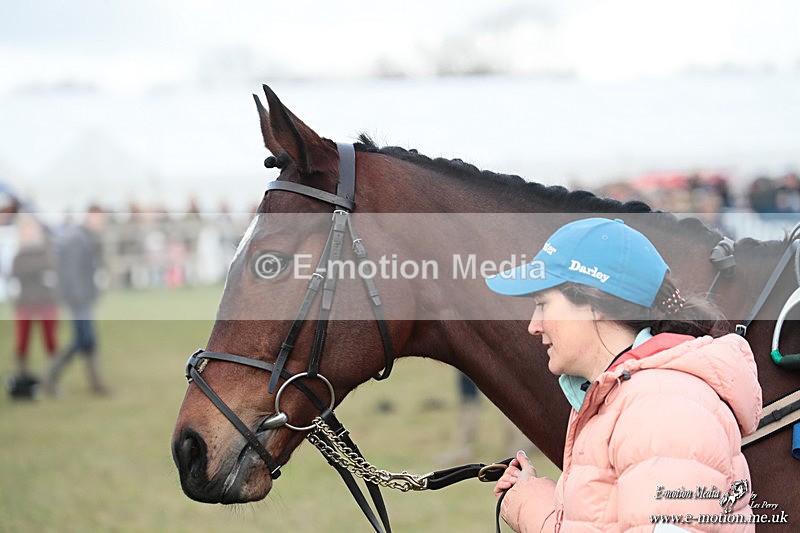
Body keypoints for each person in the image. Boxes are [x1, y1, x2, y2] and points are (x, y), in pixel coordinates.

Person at [485, 217, 762, 532]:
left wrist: (531, 508)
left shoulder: (662, 409)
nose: (534, 326)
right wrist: (532, 500)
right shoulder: (627, 400)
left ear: (594, 303)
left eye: (543, 304)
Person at [44, 206, 110, 396]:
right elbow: (71, 271)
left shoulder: (84, 237)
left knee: (88, 340)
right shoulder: (77, 238)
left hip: (82, 297)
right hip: (78, 299)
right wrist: (79, 296)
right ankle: (49, 376)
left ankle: (95, 383)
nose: (101, 223)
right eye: (100, 219)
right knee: (82, 340)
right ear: (91, 217)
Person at [8, 214, 59, 378]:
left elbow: (52, 273)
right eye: (25, 230)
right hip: (25, 302)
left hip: (45, 300)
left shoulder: (44, 253)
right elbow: (14, 276)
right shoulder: (19, 256)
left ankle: (52, 377)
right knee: (22, 341)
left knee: (51, 341)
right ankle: (23, 375)